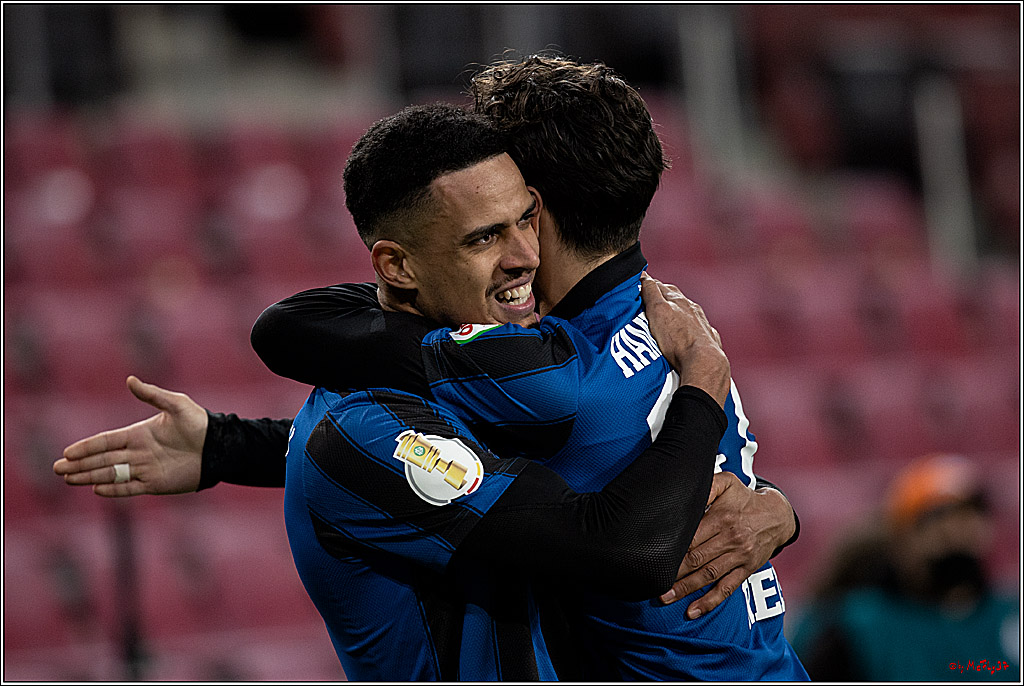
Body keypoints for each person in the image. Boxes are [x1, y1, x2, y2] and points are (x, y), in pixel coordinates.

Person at [55, 55, 804, 679]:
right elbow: (419, 451)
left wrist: (235, 446)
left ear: (535, 206)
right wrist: (774, 498)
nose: (511, 253)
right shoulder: (668, 319)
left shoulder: (550, 375)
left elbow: (306, 346)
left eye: (514, 215)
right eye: (484, 232)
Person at [791, 453, 1019, 682]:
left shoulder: (1010, 616)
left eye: (970, 515)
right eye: (937, 519)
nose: (956, 533)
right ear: (901, 539)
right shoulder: (852, 629)